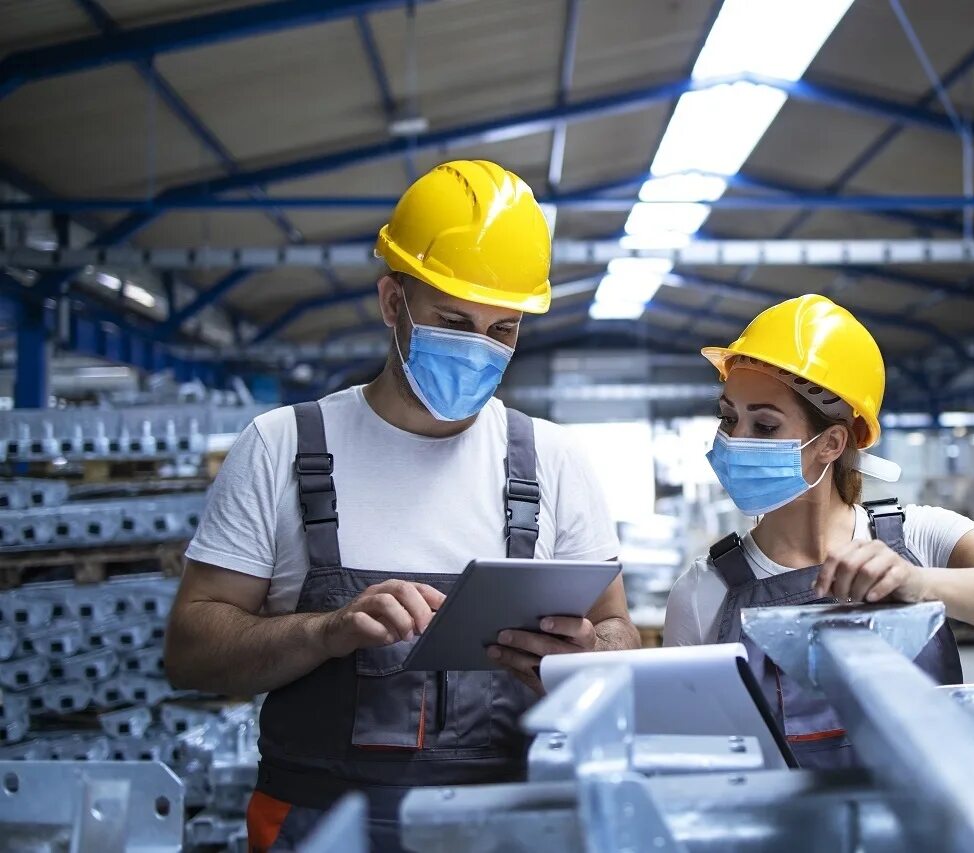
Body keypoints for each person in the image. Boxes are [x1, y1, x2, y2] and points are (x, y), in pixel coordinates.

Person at [164, 160, 639, 852]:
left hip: (507, 826)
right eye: (453, 321)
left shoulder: (554, 462)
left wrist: (584, 656)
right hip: (319, 825)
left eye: (502, 330)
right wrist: (326, 632)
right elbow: (191, 651)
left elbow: (619, 630)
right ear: (393, 303)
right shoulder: (283, 446)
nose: (478, 348)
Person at [663, 294, 974, 767]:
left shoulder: (922, 538)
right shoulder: (704, 591)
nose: (733, 441)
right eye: (728, 418)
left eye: (764, 425)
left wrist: (919, 584)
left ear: (830, 443)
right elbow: (692, 761)